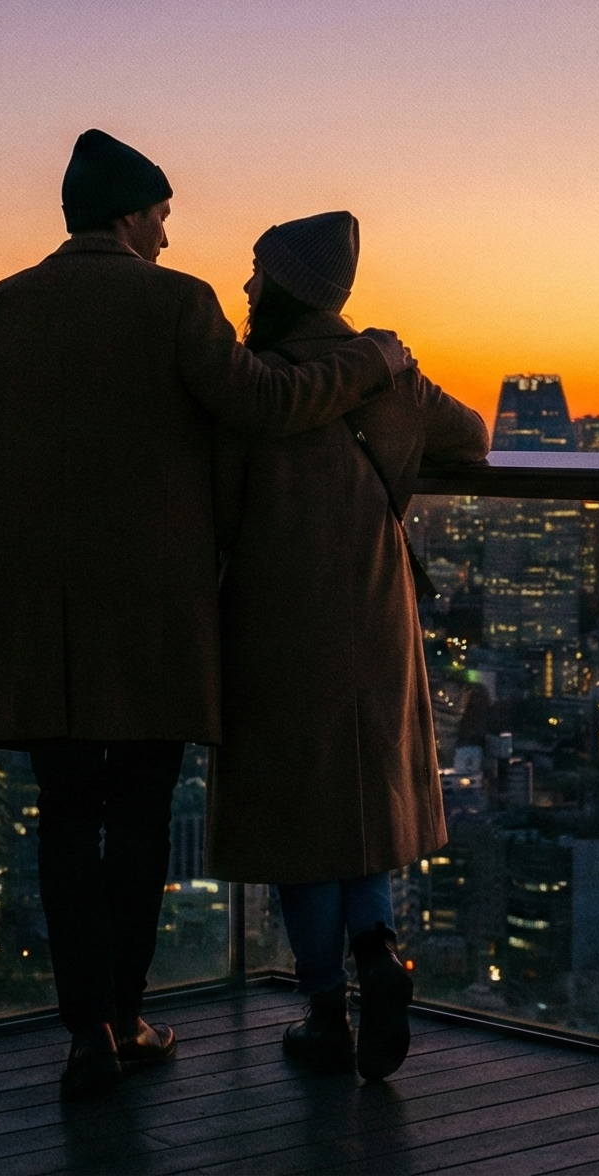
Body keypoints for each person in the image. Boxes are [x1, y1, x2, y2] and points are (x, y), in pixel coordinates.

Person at [0, 130, 415, 1100]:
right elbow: (263, 403)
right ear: (132, 215)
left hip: (38, 617)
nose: (171, 236)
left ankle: (83, 1036)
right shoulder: (176, 304)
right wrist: (367, 365)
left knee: (63, 821)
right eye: (164, 217)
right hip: (151, 614)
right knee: (138, 817)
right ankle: (128, 1014)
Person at [206, 210, 488, 1083]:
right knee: (362, 806)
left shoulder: (252, 383)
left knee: (300, 819)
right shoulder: (389, 374)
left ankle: (327, 1008)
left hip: (277, 621)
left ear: (287, 283)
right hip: (376, 614)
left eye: (258, 272)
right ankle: (378, 948)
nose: (247, 287)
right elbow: (473, 438)